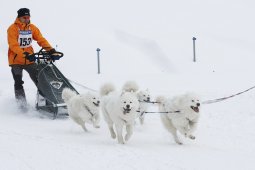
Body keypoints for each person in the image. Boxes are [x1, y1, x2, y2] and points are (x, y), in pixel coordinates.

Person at [7, 8, 55, 110]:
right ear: (19, 17)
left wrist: (50, 50)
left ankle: (46, 103)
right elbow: (13, 45)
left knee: (40, 80)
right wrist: (24, 54)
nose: (27, 19)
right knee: (18, 81)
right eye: (24, 17)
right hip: (16, 61)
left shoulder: (32, 28)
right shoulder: (12, 29)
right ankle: (21, 105)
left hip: (29, 60)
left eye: (28, 17)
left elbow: (41, 39)